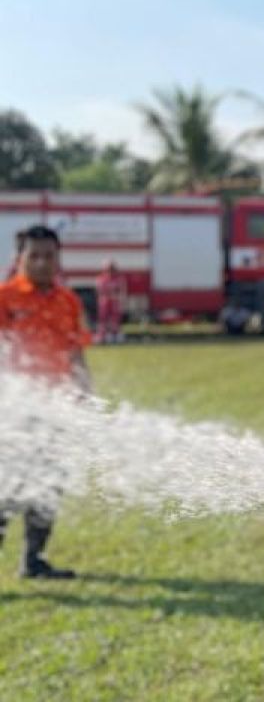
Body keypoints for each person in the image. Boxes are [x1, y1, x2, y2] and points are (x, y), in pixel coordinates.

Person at [0, 225, 90, 579]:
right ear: (19, 258)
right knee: (8, 488)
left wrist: (85, 391)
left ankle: (33, 560)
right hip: (14, 411)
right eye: (34, 256)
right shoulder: (5, 298)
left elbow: (76, 351)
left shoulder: (68, 301)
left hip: (57, 408)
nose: (42, 263)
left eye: (49, 256)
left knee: (49, 486)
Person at [95, 259, 127, 344]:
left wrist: (121, 301)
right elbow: (100, 291)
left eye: (111, 269)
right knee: (103, 321)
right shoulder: (101, 279)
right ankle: (102, 337)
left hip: (115, 303)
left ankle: (115, 336)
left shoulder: (119, 279)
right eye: (108, 269)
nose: (110, 271)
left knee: (115, 321)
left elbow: (122, 291)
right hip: (105, 303)